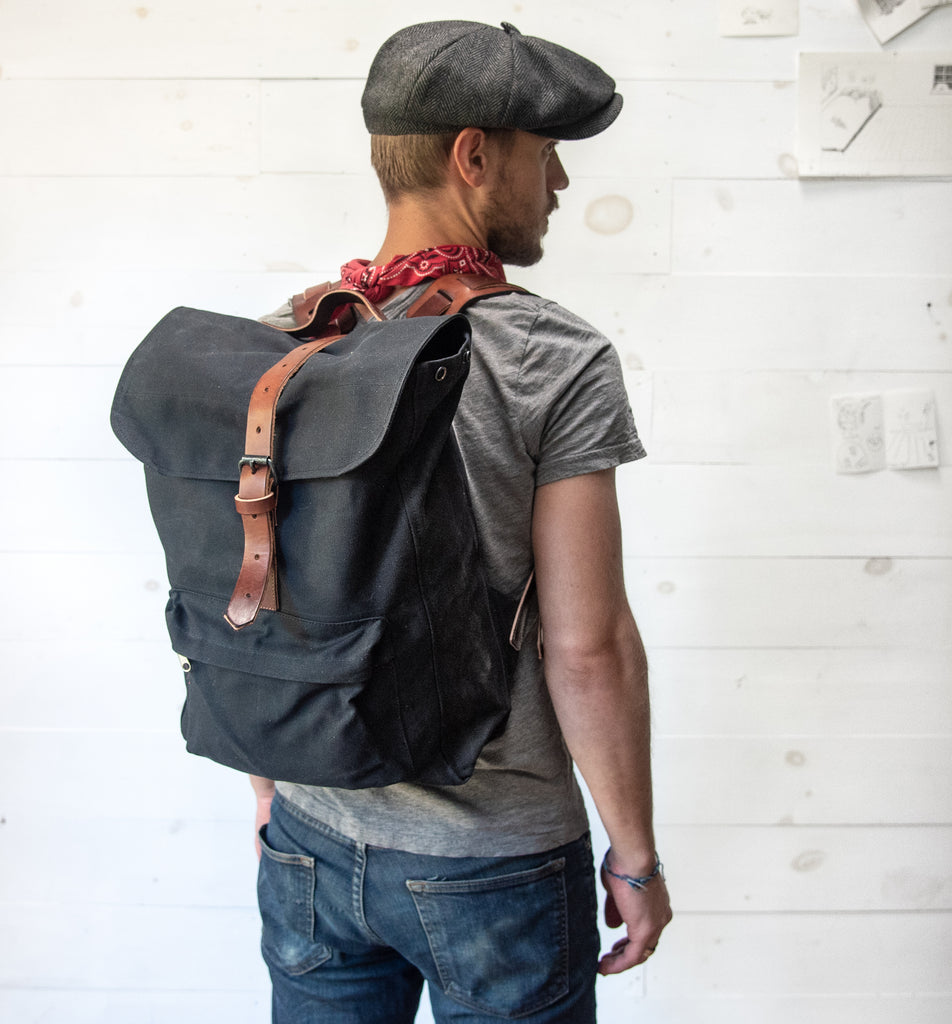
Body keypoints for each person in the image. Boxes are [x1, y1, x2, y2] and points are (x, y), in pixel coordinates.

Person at [249, 20, 672, 1024]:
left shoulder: (285, 343)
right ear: (474, 156)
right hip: (495, 863)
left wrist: (269, 786)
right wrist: (636, 857)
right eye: (546, 152)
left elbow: (255, 595)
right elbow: (588, 647)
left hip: (307, 831)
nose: (558, 183)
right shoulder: (551, 357)